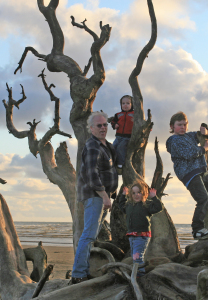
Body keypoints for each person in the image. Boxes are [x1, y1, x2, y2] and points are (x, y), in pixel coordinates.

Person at [166, 111, 208, 240]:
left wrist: (206, 132)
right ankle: (198, 229)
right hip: (188, 173)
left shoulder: (189, 136)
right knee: (203, 198)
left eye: (185, 124)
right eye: (179, 125)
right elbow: (189, 153)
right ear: (172, 126)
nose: (182, 127)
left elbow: (205, 135)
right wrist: (204, 149)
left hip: (201, 171)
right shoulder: (173, 140)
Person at [71, 111, 118, 284]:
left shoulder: (106, 145)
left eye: (105, 124)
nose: (103, 128)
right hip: (95, 196)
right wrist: (105, 196)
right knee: (88, 235)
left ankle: (82, 270)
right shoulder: (92, 146)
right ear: (91, 128)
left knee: (92, 235)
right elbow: (91, 174)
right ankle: (78, 274)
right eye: (99, 125)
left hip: (101, 196)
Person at [118, 181, 162, 277]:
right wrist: (123, 195)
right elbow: (121, 206)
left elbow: (159, 207)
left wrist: (154, 197)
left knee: (137, 256)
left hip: (142, 235)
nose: (136, 195)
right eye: (133, 193)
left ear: (143, 193)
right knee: (135, 256)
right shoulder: (129, 205)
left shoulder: (146, 205)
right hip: (132, 235)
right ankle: (137, 272)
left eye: (139, 192)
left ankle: (140, 274)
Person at [111, 95, 134, 171]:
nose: (125, 105)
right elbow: (113, 121)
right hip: (118, 137)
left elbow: (142, 122)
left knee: (121, 148)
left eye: (128, 103)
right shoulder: (118, 115)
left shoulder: (135, 114)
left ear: (132, 104)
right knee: (113, 147)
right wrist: (115, 125)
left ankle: (120, 164)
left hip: (128, 137)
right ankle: (112, 163)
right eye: (123, 103)